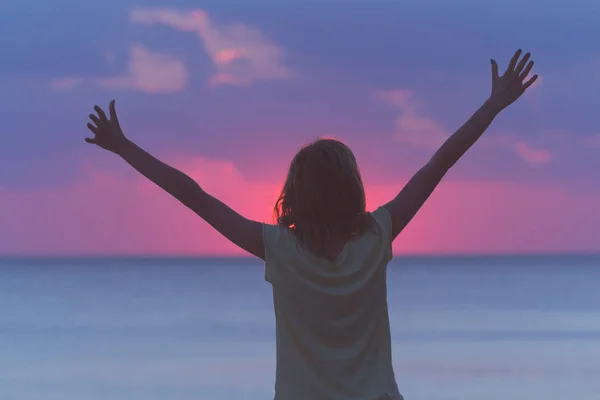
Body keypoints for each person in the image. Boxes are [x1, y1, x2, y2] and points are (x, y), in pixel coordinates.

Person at [85, 49, 538, 400]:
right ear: (353, 188)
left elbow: (195, 197)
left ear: (295, 196)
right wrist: (494, 104)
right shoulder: (378, 235)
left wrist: (125, 148)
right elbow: (440, 161)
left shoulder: (278, 248)